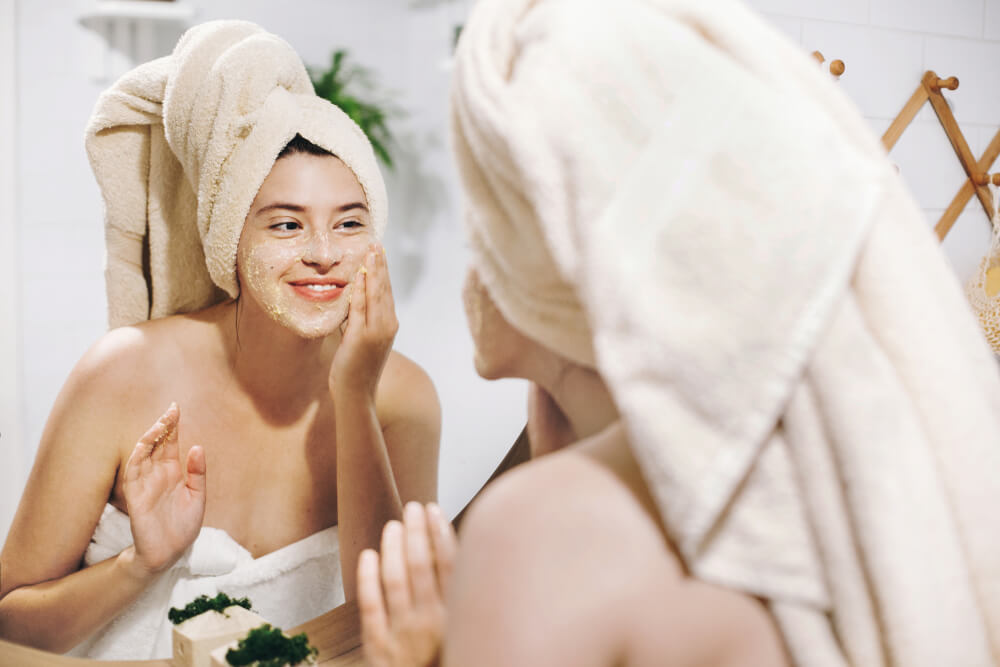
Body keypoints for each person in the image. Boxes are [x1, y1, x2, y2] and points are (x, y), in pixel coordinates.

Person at [358, 0, 1000, 665]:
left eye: (490, 211)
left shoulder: (539, 531)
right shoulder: (849, 484)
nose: (473, 255)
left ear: (562, 247)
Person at [0, 21, 440, 659]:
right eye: (286, 224)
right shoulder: (124, 373)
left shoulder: (403, 398)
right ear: (229, 244)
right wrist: (141, 564)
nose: (324, 255)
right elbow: (9, 626)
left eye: (350, 222)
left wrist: (354, 396)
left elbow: (392, 635)